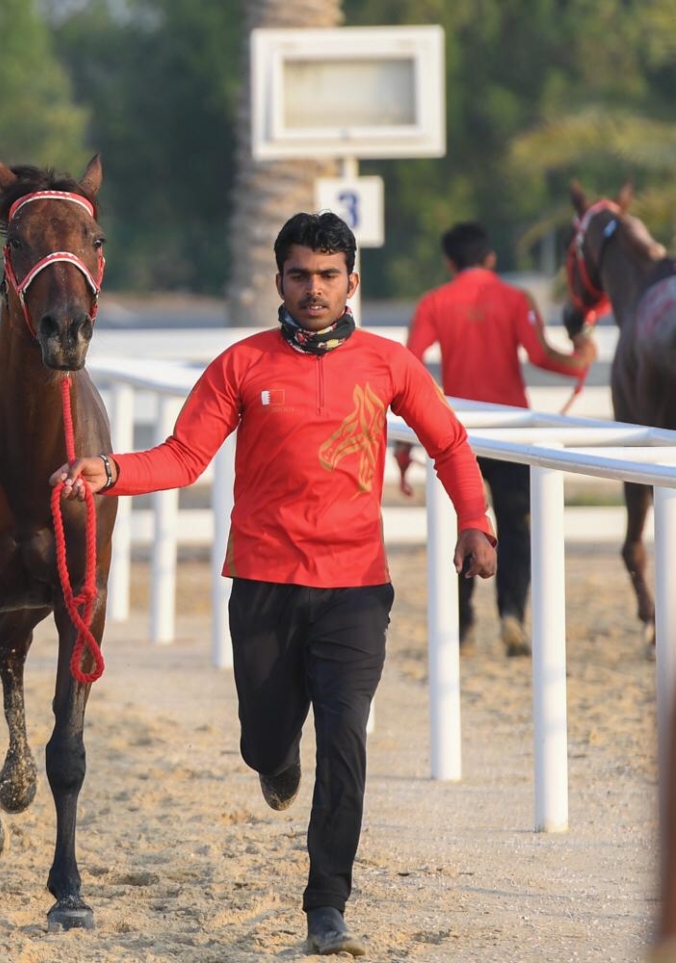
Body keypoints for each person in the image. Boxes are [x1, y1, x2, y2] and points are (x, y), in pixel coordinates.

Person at [50, 211, 497, 957]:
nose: (314, 289)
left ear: (352, 281)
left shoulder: (389, 365)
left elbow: (448, 441)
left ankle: (327, 907)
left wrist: (475, 521)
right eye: (299, 275)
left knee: (347, 738)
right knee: (265, 743)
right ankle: (275, 760)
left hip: (356, 588)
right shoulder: (242, 364)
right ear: (279, 281)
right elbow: (185, 455)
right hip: (262, 585)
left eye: (328, 276)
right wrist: (112, 473)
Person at [396, 221, 596, 658]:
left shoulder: (434, 302)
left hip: (455, 433)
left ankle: (462, 624)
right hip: (510, 432)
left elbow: (409, 370)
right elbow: (541, 355)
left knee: (465, 525)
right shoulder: (514, 299)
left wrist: (403, 445)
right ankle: (511, 615)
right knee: (515, 527)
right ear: (490, 258)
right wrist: (580, 359)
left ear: (450, 262)